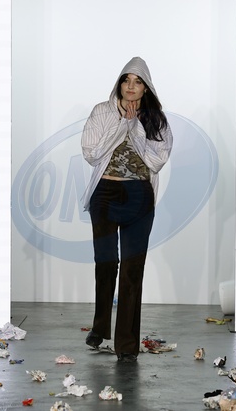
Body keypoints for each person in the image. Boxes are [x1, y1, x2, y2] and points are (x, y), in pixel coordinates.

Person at [81, 57, 173, 362]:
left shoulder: (156, 119)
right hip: (105, 194)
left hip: (139, 196)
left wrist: (135, 128)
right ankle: (99, 328)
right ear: (119, 83)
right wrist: (122, 125)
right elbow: (92, 154)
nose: (131, 87)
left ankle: (127, 346)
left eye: (138, 82)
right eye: (126, 80)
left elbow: (156, 161)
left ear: (146, 87)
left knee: (134, 270)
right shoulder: (102, 112)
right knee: (106, 264)